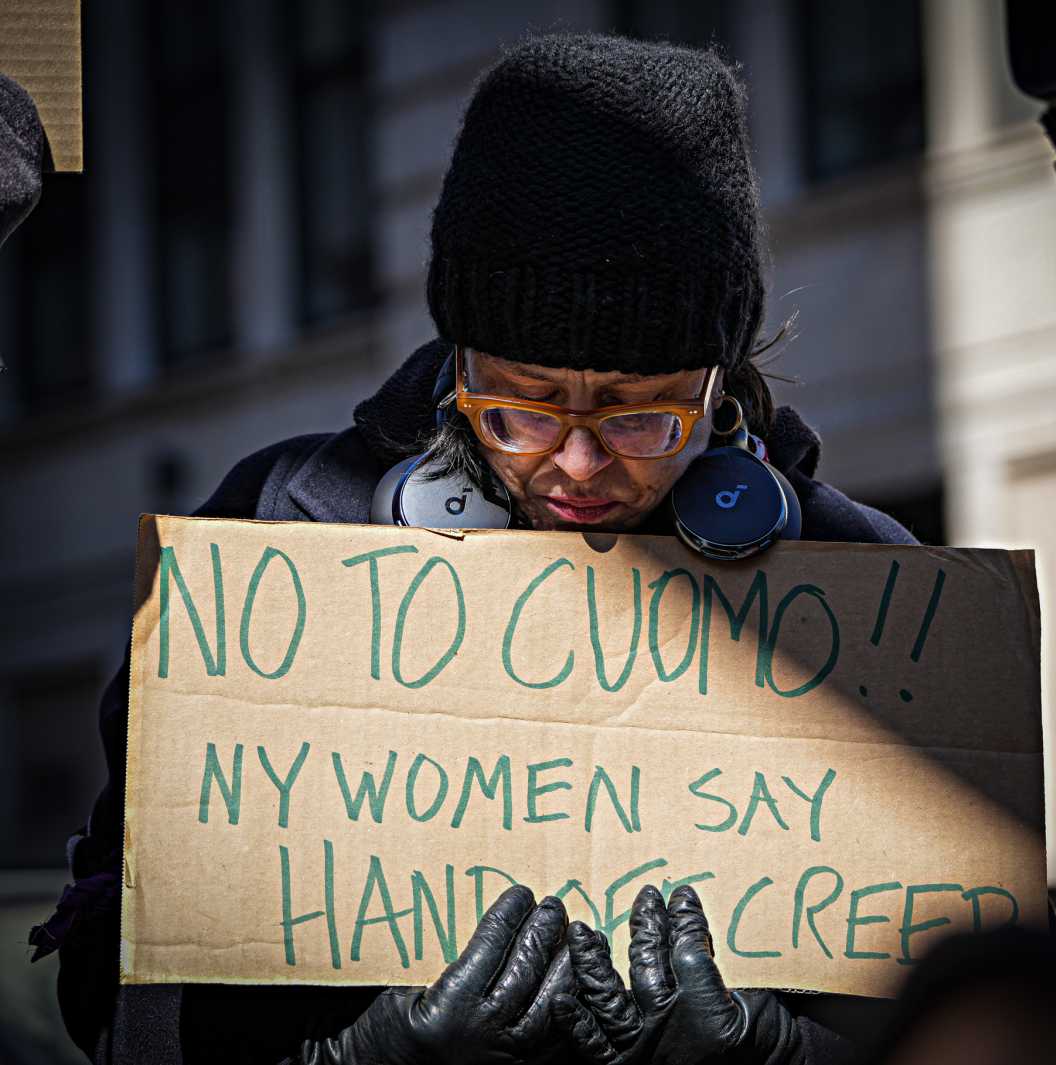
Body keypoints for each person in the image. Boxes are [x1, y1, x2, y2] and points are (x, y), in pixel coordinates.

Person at [32, 31, 916, 1065]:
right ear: (457, 371)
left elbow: (975, 1012)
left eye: (641, 416)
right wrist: (357, 1058)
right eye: (523, 409)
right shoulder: (274, 538)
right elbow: (105, 983)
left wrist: (782, 1057)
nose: (580, 465)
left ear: (719, 388)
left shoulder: (868, 587)